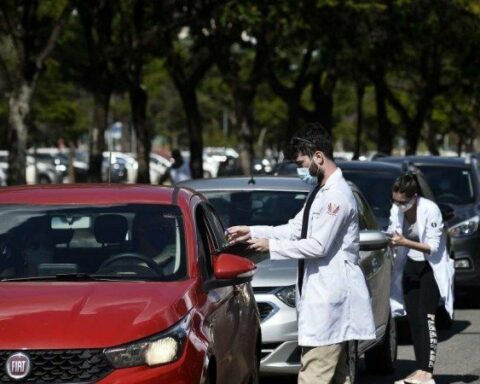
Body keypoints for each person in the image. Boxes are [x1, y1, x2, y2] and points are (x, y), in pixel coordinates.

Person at [227, 123, 375, 384]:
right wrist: (250, 231)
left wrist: (269, 246)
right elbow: (296, 229)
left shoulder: (336, 197)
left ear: (318, 157)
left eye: (301, 162)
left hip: (330, 304)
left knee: (313, 377)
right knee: (339, 377)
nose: (300, 170)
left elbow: (318, 246)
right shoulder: (320, 192)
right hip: (322, 304)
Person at [387, 174, 454, 384]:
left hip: (430, 268)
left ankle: (428, 372)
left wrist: (404, 241)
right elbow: (393, 231)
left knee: (427, 319)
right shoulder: (396, 209)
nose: (398, 205)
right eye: (395, 201)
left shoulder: (430, 209)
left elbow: (433, 248)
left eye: (403, 201)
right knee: (414, 320)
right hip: (410, 266)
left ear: (414, 197)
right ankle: (419, 370)